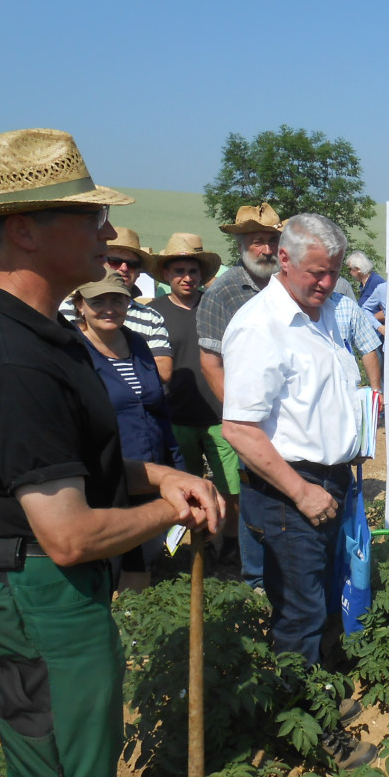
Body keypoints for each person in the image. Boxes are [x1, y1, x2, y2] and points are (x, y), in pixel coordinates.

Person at [0, 127, 222, 777]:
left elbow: (70, 463)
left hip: (36, 588)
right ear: (24, 230)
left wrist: (157, 473)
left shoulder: (40, 328)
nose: (108, 233)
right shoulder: (11, 362)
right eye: (88, 217)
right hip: (35, 595)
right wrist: (171, 514)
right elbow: (68, 535)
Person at [221, 214, 381, 770]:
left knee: (321, 604)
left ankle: (318, 699)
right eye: (317, 272)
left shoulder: (329, 314)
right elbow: (240, 429)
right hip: (289, 491)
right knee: (300, 614)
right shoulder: (259, 326)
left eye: (335, 272)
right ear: (283, 260)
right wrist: (301, 491)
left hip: (329, 482)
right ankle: (302, 733)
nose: (328, 283)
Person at [70, 277, 184, 590]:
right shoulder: (72, 351)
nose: (109, 309)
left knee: (142, 560)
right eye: (98, 301)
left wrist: (178, 469)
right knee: (105, 566)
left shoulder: (136, 343)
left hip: (150, 472)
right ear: (80, 305)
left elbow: (159, 411)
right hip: (103, 481)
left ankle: (135, 634)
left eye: (117, 301)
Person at [197, 202, 283, 587]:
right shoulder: (224, 291)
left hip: (288, 417)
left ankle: (286, 573)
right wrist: (241, 418)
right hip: (248, 420)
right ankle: (255, 581)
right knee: (252, 497)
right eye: (256, 241)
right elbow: (211, 364)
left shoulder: (288, 284)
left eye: (270, 240)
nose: (264, 249)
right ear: (241, 245)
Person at [148, 234, 249, 564]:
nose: (187, 277)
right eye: (179, 270)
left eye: (192, 270)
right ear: (166, 274)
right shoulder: (152, 313)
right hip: (175, 417)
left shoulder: (215, 306)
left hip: (221, 415)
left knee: (231, 487)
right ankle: (194, 549)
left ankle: (231, 544)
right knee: (185, 489)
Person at [58, 224, 174, 383]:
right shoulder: (66, 309)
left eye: (132, 264)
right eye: (114, 261)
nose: (124, 268)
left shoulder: (152, 317)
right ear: (100, 261)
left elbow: (164, 372)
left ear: (139, 272)